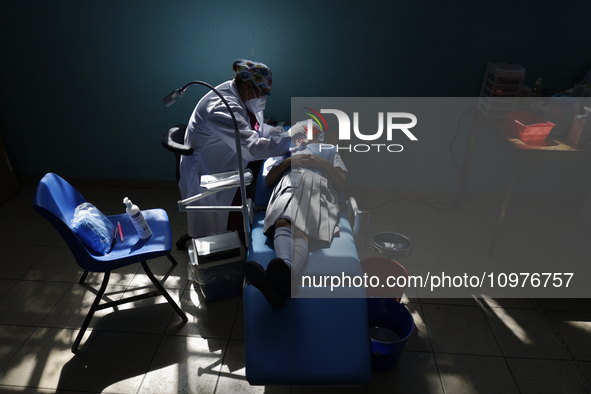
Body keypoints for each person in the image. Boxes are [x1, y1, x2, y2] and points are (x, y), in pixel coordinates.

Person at [179, 59, 291, 239]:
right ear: (248, 86)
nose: (264, 99)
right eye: (263, 94)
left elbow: (257, 130)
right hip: (211, 170)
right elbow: (251, 148)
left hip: (229, 158)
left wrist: (281, 132)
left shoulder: (246, 98)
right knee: (227, 227)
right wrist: (289, 139)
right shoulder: (222, 107)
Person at [243, 120, 348, 307]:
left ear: (318, 136)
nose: (304, 138)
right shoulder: (286, 150)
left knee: (302, 230)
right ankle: (285, 279)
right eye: (300, 135)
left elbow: (341, 183)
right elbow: (269, 181)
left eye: (310, 133)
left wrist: (323, 163)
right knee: (282, 221)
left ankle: (278, 280)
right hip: (289, 184)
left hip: (318, 188)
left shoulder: (330, 150)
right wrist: (290, 161)